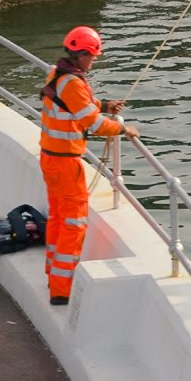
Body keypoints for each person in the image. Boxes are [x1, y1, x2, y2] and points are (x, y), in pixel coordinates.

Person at [38, 26, 128, 306]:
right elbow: (93, 124)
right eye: (92, 57)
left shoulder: (58, 74)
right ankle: (62, 290)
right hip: (66, 163)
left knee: (57, 217)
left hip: (50, 158)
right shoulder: (74, 83)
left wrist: (104, 104)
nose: (94, 61)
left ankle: (53, 274)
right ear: (82, 55)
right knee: (75, 224)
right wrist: (124, 131)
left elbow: (77, 106)